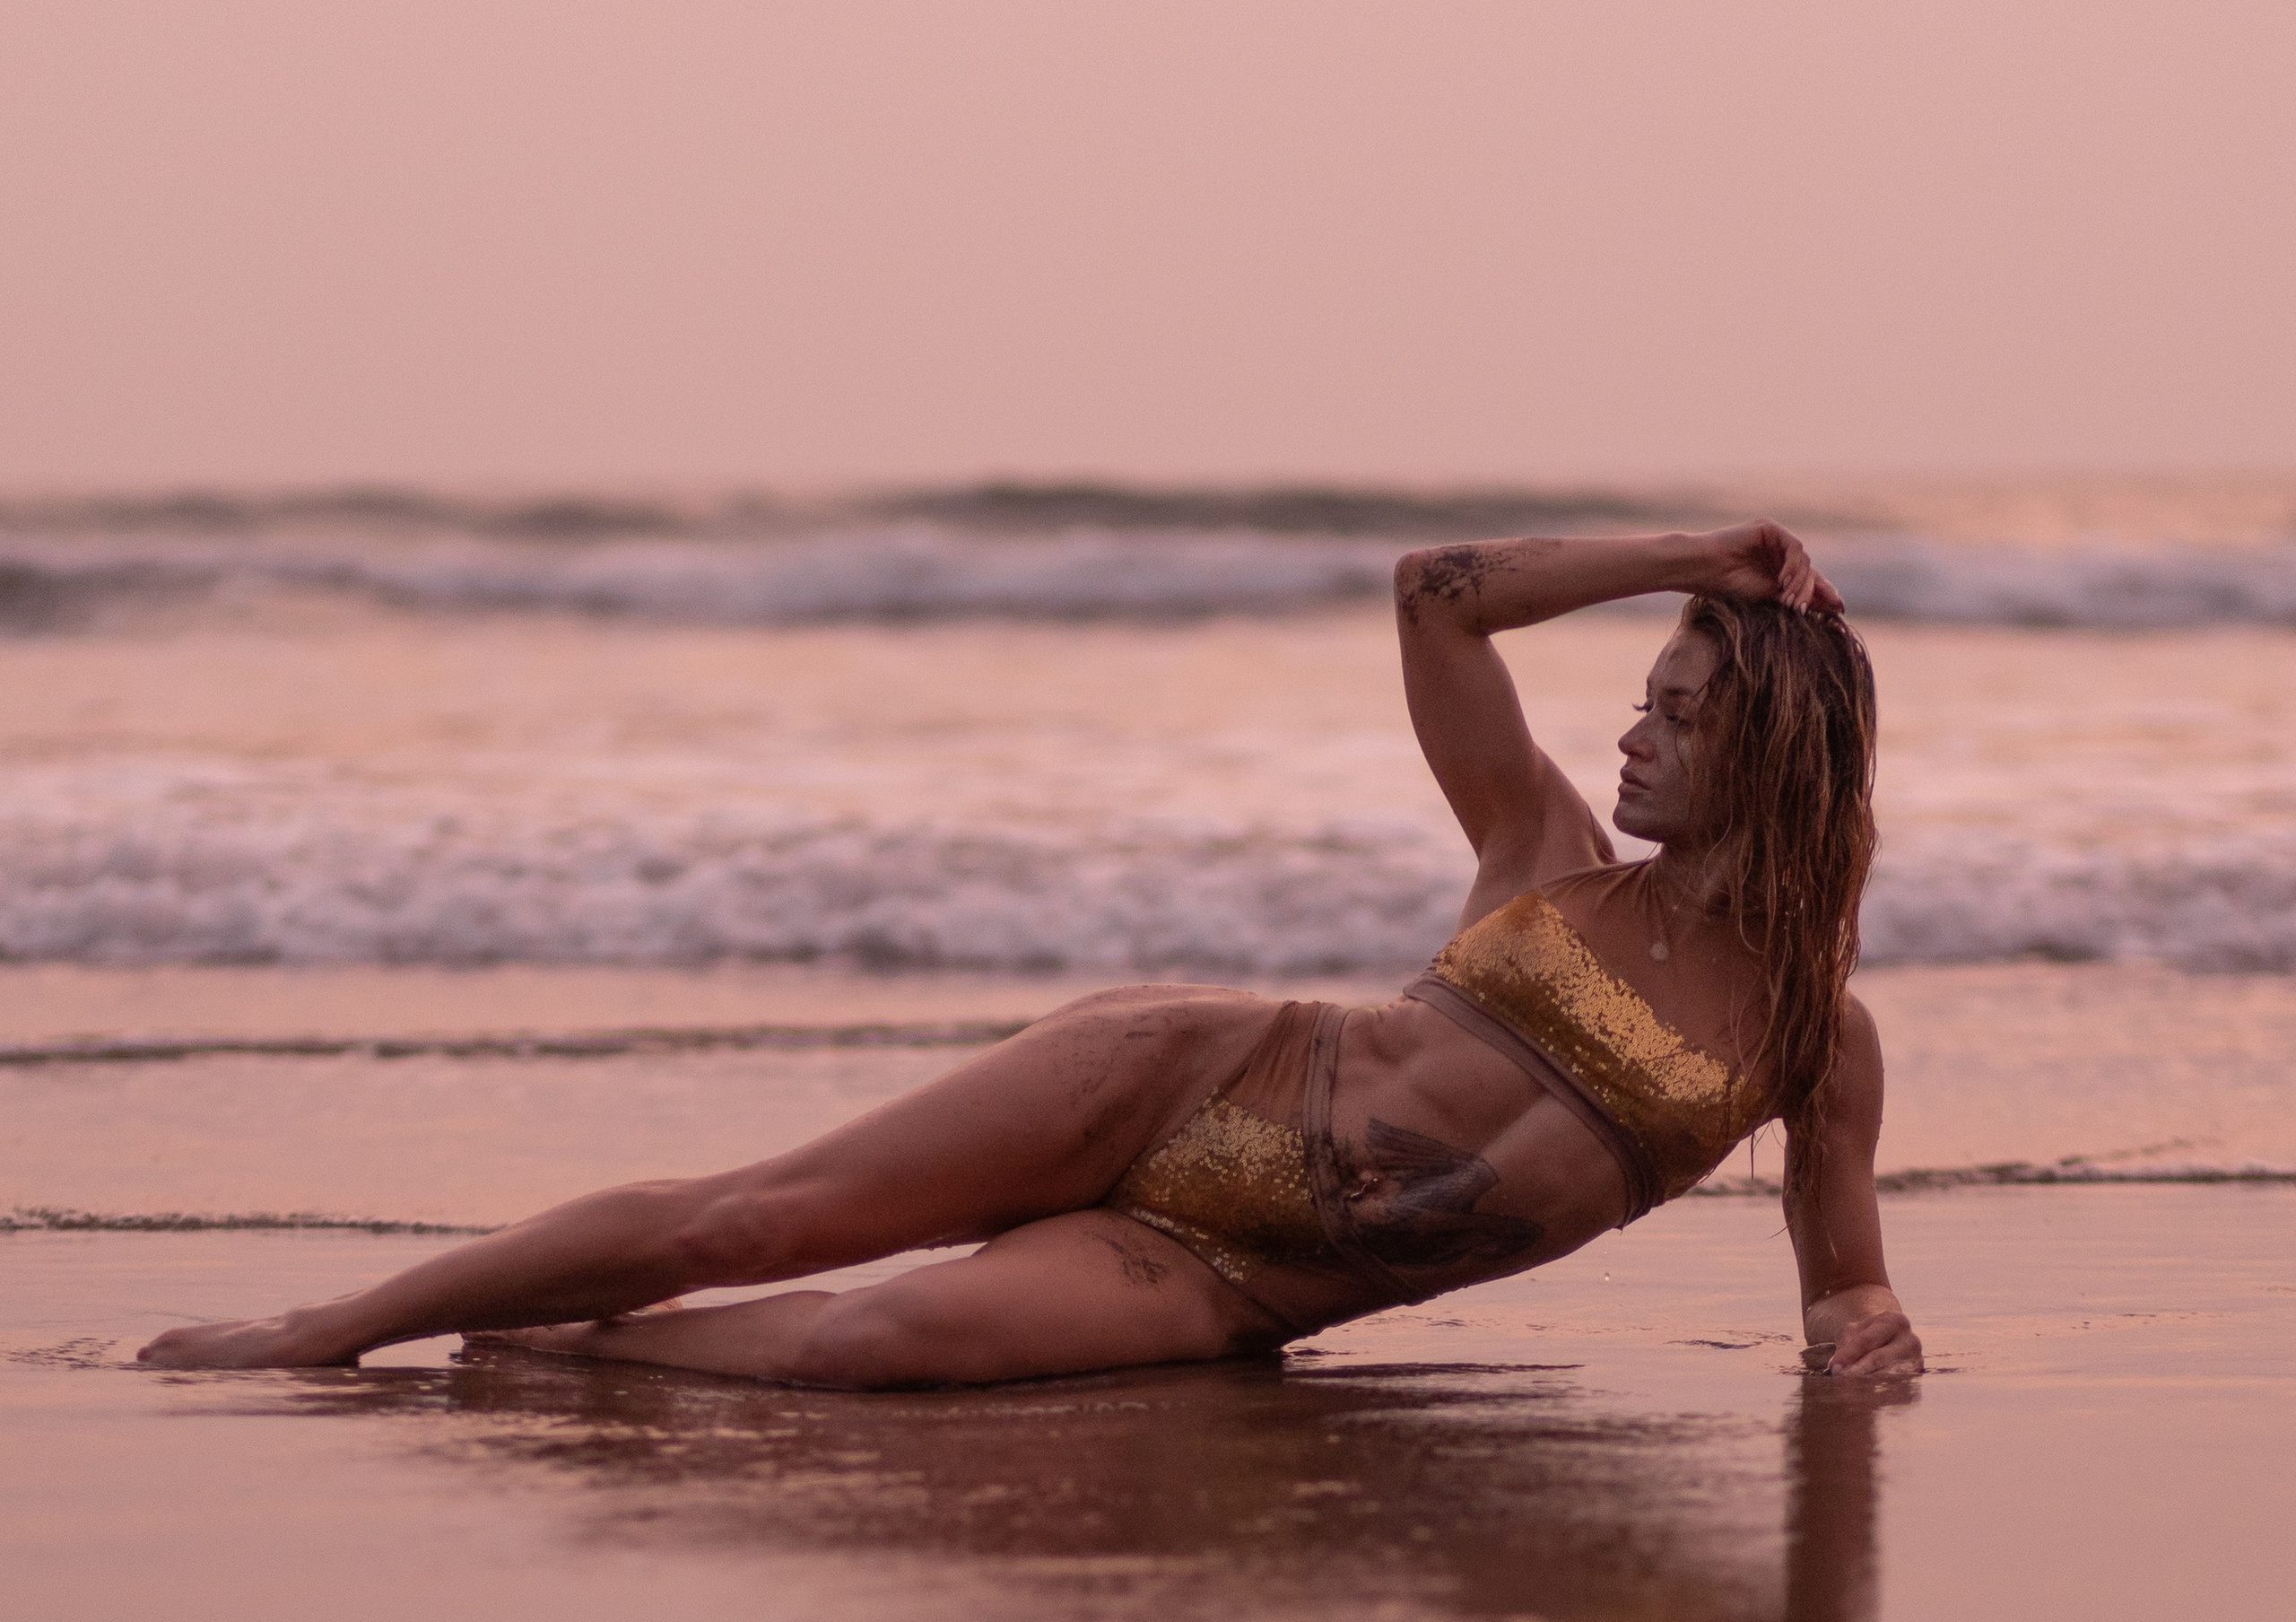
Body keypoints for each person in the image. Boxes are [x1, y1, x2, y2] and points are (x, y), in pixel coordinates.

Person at [140, 521, 1923, 1385]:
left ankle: (546, 1359)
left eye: (1674, 717)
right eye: (1638, 699)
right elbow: (1431, 593)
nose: (1629, 741)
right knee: (748, 1225)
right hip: (1179, 1082)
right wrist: (1696, 552)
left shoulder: (1806, 1042)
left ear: (1760, 753)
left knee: (878, 1345)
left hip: (1229, 1289)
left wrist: (1867, 1334)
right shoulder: (1544, 853)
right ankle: (332, 1329)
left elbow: (1839, 1277)